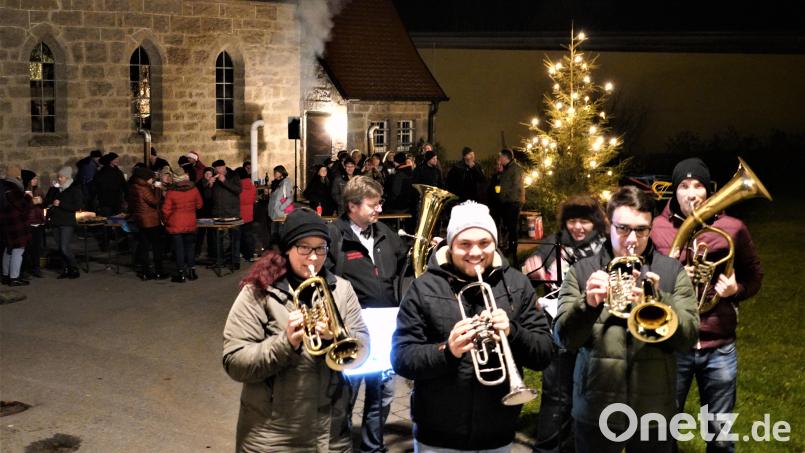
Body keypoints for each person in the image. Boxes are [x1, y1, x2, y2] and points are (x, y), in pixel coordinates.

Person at [392, 201, 555, 452]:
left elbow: (544, 353)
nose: (475, 252)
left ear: (495, 243)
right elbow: (402, 358)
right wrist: (448, 350)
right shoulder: (423, 288)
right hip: (437, 435)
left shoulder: (517, 285)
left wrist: (513, 332)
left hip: (498, 431)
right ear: (450, 245)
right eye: (464, 244)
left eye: (484, 243)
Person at [553, 186, 699, 453]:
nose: (632, 239)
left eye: (642, 229)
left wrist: (661, 301)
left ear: (651, 227)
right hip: (596, 410)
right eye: (623, 228)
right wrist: (587, 304)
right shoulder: (582, 271)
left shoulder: (671, 271)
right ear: (609, 224)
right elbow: (563, 338)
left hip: (653, 414)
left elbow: (688, 338)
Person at [222, 208, 369, 452]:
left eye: (320, 248)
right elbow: (234, 361)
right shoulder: (259, 292)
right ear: (287, 249)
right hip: (272, 437)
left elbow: (362, 350)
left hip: (329, 434)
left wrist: (337, 338)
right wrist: (285, 342)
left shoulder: (342, 290)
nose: (313, 258)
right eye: (304, 248)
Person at [650, 158, 763, 453]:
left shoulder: (733, 228)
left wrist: (736, 289)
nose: (691, 193)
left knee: (721, 433)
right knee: (663, 427)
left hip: (719, 345)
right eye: (684, 186)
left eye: (698, 185)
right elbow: (645, 279)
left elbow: (755, 276)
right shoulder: (656, 228)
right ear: (674, 192)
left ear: (708, 190)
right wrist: (674, 277)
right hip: (673, 343)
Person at [326, 176, 407, 453]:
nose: (379, 209)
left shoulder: (384, 232)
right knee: (345, 397)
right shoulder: (335, 236)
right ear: (352, 206)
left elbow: (404, 263)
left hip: (385, 329)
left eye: (379, 203)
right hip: (352, 330)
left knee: (382, 396)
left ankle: (373, 448)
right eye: (373, 205)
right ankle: (341, 447)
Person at [522, 195, 608, 453]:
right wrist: (533, 267)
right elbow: (533, 268)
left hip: (594, 334)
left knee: (589, 394)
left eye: (584, 221)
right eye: (572, 221)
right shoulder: (554, 243)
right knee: (557, 392)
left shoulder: (606, 248)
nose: (578, 227)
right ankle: (549, 446)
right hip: (560, 330)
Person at [161, 171, 203, 282]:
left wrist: (165, 221)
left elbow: (165, 210)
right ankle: (192, 272)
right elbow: (199, 205)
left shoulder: (171, 192)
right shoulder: (194, 189)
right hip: (190, 222)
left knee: (179, 249)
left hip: (176, 223)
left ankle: (181, 274)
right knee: (190, 248)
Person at [128, 166, 167, 280]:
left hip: (140, 220)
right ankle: (159, 271)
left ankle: (145, 272)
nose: (153, 180)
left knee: (144, 246)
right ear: (146, 178)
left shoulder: (134, 186)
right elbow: (154, 201)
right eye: (151, 178)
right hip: (150, 221)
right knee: (156, 246)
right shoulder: (143, 188)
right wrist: (158, 189)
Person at [44, 166, 84, 279]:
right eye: (59, 177)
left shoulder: (74, 190)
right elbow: (48, 201)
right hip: (56, 221)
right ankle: (66, 269)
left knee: (64, 247)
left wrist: (60, 204)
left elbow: (77, 206)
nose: (59, 179)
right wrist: (52, 190)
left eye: (61, 177)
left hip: (67, 222)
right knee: (59, 247)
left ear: (67, 178)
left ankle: (74, 267)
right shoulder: (56, 189)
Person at [1, 165, 32, 286]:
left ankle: (5, 275)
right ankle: (14, 277)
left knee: (8, 249)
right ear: (17, 175)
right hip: (15, 223)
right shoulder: (12, 187)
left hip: (6, 222)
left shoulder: (3, 186)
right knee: (18, 250)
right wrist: (29, 198)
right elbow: (22, 205)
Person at [209, 159, 243, 270]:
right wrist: (209, 185)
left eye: (219, 168)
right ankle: (220, 260)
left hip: (232, 212)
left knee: (235, 238)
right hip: (218, 212)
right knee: (218, 239)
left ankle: (235, 261)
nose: (217, 171)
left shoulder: (234, 175)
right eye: (215, 169)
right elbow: (208, 197)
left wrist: (225, 181)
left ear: (224, 167)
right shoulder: (214, 178)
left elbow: (238, 190)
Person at [497, 148, 524, 261]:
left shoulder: (515, 169)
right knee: (508, 226)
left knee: (512, 227)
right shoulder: (506, 169)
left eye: (500, 157)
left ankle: (513, 250)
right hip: (507, 202)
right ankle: (510, 247)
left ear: (505, 157)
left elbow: (515, 186)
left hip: (512, 202)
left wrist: (506, 197)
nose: (499, 159)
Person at [21, 170, 46, 278]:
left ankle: (36, 268)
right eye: (33, 179)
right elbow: (23, 208)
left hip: (38, 222)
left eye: (36, 179)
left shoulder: (38, 190)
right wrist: (31, 202)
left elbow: (44, 202)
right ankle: (25, 269)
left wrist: (42, 201)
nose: (36, 180)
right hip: (28, 222)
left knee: (37, 247)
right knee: (27, 247)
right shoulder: (23, 191)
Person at [93, 152, 128, 217]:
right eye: (115, 159)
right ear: (110, 161)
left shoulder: (118, 171)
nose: (117, 161)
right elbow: (97, 185)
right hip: (106, 201)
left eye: (117, 159)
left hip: (116, 200)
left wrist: (126, 196)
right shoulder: (102, 172)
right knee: (108, 219)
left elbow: (123, 184)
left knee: (118, 219)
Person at [267, 165, 293, 246]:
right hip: (274, 213)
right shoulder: (276, 183)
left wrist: (280, 208)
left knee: (280, 234)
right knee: (274, 234)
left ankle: (281, 251)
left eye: (276, 172)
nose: (274, 174)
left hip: (280, 214)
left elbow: (289, 198)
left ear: (281, 172)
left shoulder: (285, 183)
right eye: (274, 172)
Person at [236, 167, 257, 263]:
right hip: (249, 213)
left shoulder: (237, 187)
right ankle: (250, 254)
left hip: (239, 214)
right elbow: (253, 200)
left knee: (238, 236)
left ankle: (240, 253)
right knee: (248, 235)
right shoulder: (252, 186)